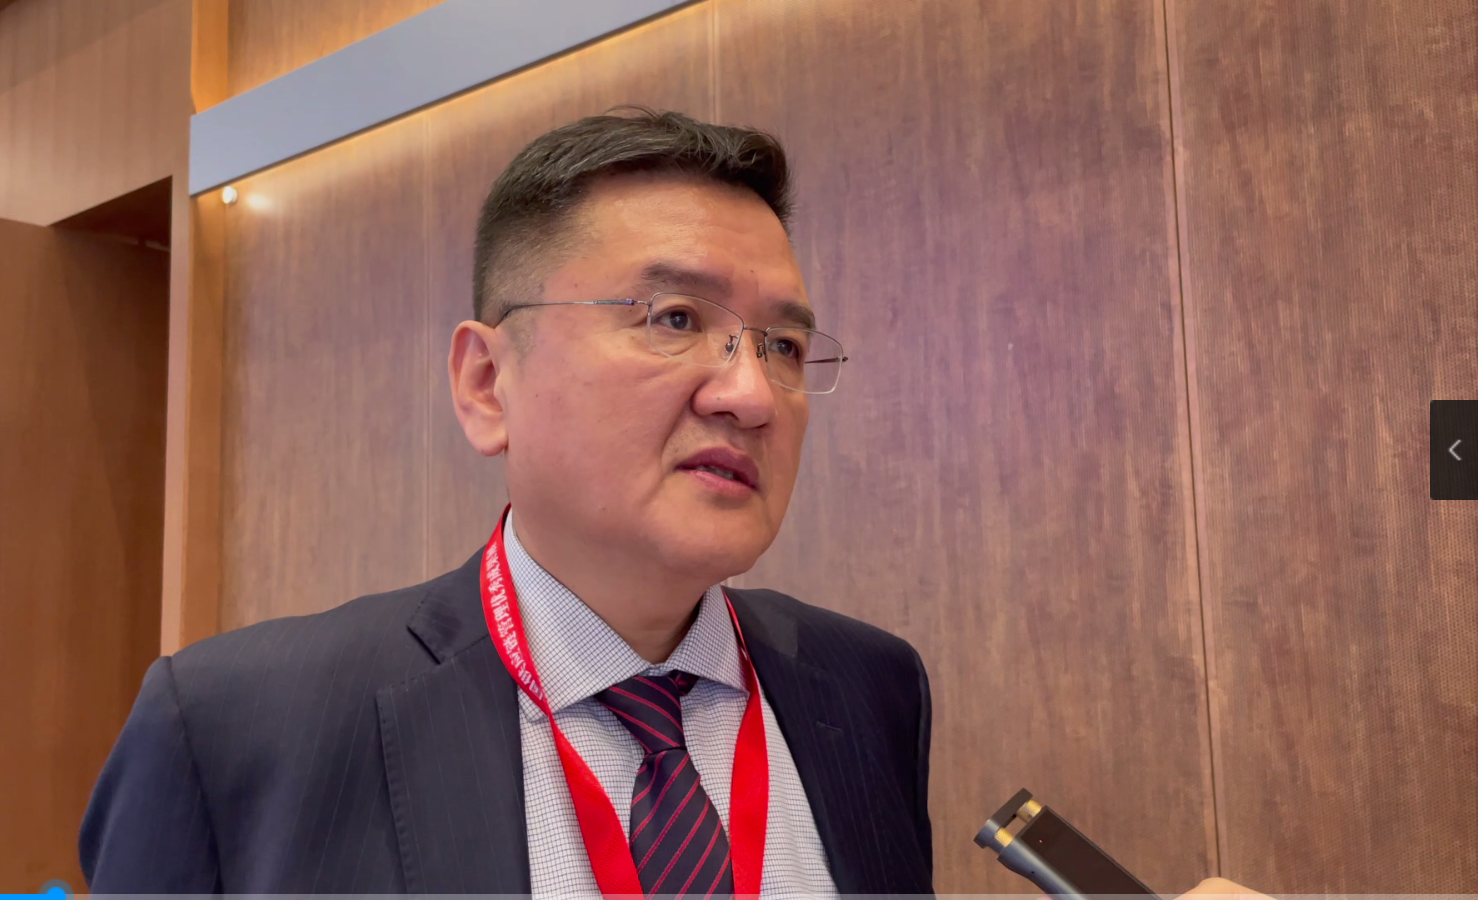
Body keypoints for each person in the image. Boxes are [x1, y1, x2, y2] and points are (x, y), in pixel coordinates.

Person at [80, 108, 1266, 898]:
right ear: (487, 383)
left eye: (784, 345)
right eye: (673, 319)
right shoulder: (238, 729)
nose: (749, 393)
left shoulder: (866, 688)